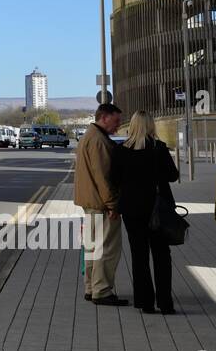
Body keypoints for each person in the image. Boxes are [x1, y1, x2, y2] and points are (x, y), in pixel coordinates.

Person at [116, 111, 179, 314]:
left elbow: (114, 179)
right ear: (151, 126)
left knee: (139, 255)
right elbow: (172, 176)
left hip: (132, 211)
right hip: (158, 210)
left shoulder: (122, 150)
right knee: (162, 255)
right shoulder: (159, 149)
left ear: (132, 126)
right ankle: (165, 303)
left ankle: (146, 302)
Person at [74, 102, 126, 306]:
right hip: (101, 204)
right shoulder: (99, 141)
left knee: (92, 248)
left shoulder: (88, 136)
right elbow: (103, 177)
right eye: (115, 121)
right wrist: (113, 204)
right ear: (104, 117)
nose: (118, 126)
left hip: (89, 202)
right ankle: (102, 290)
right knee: (107, 248)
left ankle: (91, 288)